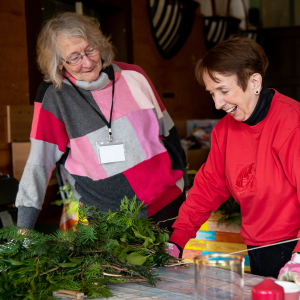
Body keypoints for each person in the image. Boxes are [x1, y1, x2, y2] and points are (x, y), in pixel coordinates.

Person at [15, 12, 188, 232]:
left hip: (167, 203)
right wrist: (23, 231)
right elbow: (38, 165)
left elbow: (169, 133)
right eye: (75, 57)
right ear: (58, 63)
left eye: (90, 49)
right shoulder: (54, 96)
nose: (87, 62)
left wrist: (185, 184)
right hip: (106, 218)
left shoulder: (134, 75)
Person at [167, 36, 300, 282]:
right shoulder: (224, 132)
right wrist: (177, 239)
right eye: (212, 93)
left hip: (294, 249)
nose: (217, 103)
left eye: (224, 91)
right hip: (256, 248)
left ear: (254, 82)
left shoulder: (291, 122)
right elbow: (207, 189)